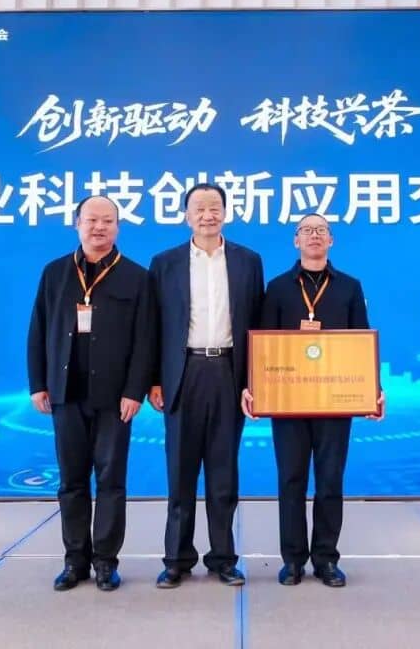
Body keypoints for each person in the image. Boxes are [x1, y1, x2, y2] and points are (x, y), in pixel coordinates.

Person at [241, 213, 385, 588]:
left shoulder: (349, 287)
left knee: (330, 480)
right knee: (291, 480)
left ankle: (326, 559)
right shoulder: (278, 288)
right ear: (296, 241)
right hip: (288, 401)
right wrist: (255, 388)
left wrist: (374, 390)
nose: (314, 236)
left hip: (334, 401)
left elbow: (360, 342)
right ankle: (292, 560)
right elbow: (264, 345)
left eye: (321, 230)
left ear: (331, 240)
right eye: (307, 231)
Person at [26, 195, 152, 592]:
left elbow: (145, 341)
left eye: (107, 221)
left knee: (111, 481)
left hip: (115, 399)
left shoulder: (136, 276)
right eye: (91, 220)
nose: (99, 227)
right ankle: (75, 560)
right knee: (71, 481)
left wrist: (134, 391)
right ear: (77, 224)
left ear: (118, 227)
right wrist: (38, 383)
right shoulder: (55, 273)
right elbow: (38, 330)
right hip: (66, 394)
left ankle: (105, 562)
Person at [147, 183, 264, 588]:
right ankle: (176, 559)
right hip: (184, 373)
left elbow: (257, 325)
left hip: (229, 372)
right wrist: (154, 379)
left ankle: (223, 558)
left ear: (226, 213)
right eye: (199, 208)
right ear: (186, 215)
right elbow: (153, 328)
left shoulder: (249, 261)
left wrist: (254, 381)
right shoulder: (165, 263)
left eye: (214, 208)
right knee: (180, 473)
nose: (207, 215)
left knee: (223, 472)